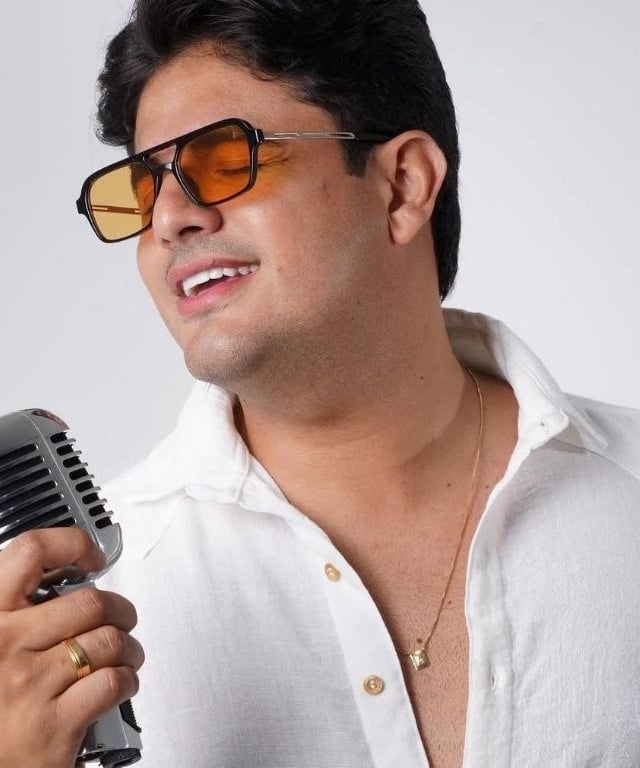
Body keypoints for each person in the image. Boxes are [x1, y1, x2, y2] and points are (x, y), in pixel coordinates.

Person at [1, 1, 639, 767]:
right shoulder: (78, 624)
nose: (168, 219)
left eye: (225, 158)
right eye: (141, 189)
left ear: (402, 185)